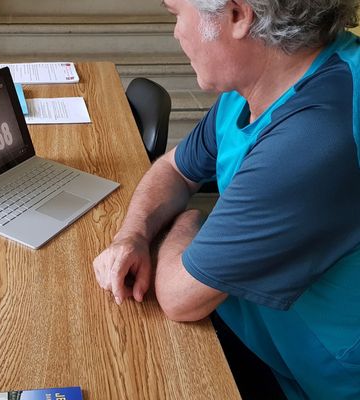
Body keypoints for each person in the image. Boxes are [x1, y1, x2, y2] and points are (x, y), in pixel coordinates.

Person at [93, 1, 360, 398]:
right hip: (261, 331)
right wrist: (131, 235)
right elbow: (176, 168)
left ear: (237, 15)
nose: (176, 32)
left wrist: (188, 221)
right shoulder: (267, 77)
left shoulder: (313, 134)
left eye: (176, 14)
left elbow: (179, 297)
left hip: (316, 379)